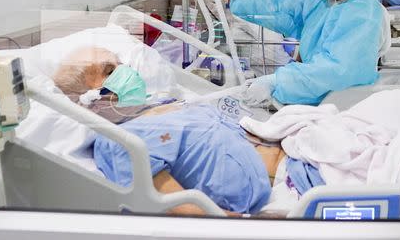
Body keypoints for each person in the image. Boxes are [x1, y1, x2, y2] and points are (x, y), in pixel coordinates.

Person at [53, 46, 277, 216]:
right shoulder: (121, 144)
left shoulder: (164, 104)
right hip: (282, 194)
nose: (126, 71)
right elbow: (184, 212)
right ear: (89, 99)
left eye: (121, 63)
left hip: (294, 157)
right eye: (110, 70)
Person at [212, 0, 384, 106]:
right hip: (310, 90)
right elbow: (278, 8)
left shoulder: (364, 16)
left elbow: (335, 71)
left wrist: (277, 81)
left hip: (342, 104)